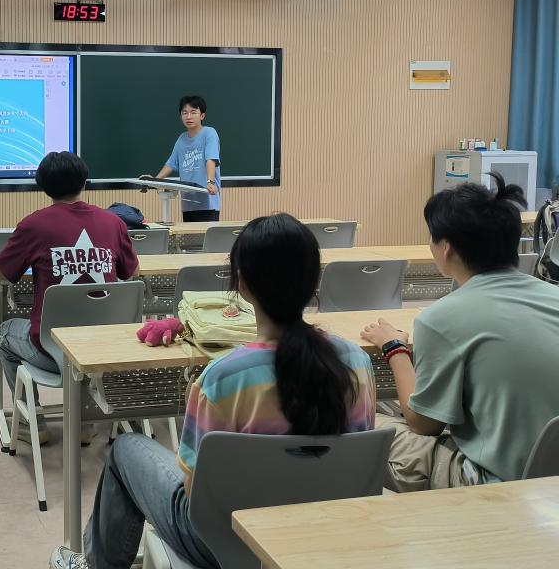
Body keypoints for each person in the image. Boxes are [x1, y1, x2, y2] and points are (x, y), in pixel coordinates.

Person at [51, 213, 376, 569]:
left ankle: (94, 564)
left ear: (242, 284)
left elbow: (196, 496)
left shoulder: (223, 377)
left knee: (127, 450)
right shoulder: (357, 362)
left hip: (227, 543)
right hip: (327, 530)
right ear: (315, 280)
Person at [361, 173, 559, 490]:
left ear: (447, 249)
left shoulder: (440, 319)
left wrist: (394, 348)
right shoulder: (554, 296)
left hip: (502, 485)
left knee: (366, 423)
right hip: (551, 482)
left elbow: (423, 423)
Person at [0, 152, 139, 443]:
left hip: (51, 352)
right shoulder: (113, 223)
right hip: (104, 348)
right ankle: (84, 423)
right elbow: (132, 273)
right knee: (87, 325)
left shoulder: (34, 225)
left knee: (4, 332)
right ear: (84, 182)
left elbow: (0, 275)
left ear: (43, 186)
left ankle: (32, 425)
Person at [145, 95, 221, 222]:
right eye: (185, 113)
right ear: (181, 116)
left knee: (205, 235)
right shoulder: (181, 139)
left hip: (207, 200)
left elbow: (211, 159)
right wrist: (154, 181)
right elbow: (171, 164)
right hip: (188, 203)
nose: (188, 116)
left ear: (202, 116)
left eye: (193, 112)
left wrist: (210, 182)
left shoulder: (209, 133)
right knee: (189, 235)